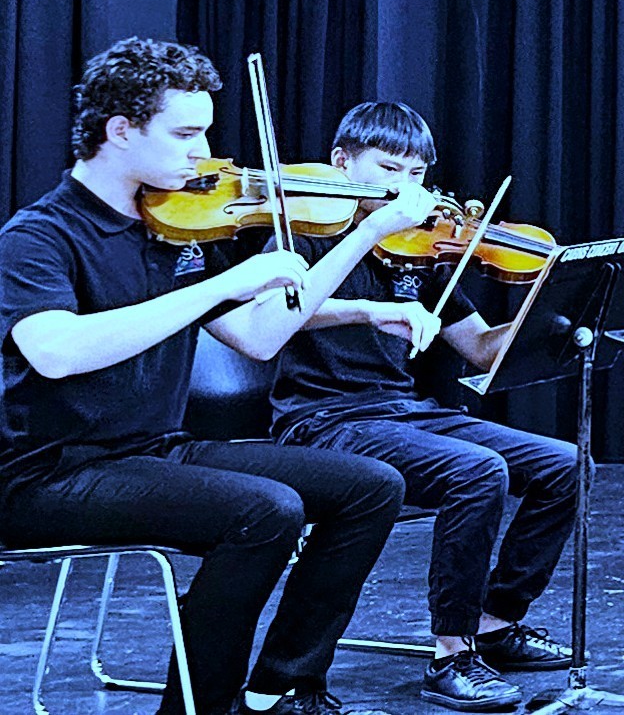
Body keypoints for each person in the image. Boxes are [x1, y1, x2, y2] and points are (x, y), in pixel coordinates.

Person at [0, 37, 428, 715]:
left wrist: (354, 241)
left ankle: (277, 685)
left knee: (370, 487)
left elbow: (260, 338)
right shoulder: (38, 237)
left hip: (153, 450)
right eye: (185, 134)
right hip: (49, 472)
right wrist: (219, 285)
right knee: (265, 510)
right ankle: (201, 707)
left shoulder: (172, 229)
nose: (204, 153)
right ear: (120, 131)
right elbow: (55, 351)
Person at [268, 102, 581, 711]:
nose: (405, 189)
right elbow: (277, 317)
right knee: (476, 471)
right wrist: (368, 257)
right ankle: (451, 654)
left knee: (567, 465)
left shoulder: (418, 249)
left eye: (417, 174)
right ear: (340, 163)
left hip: (404, 412)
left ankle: (494, 622)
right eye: (388, 169)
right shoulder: (297, 233)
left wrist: (553, 302)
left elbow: (482, 349)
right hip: (323, 419)